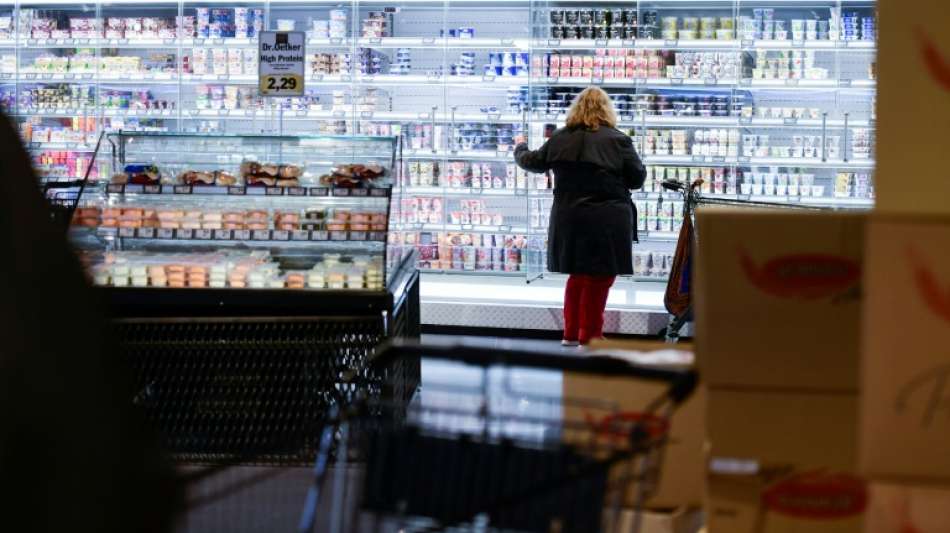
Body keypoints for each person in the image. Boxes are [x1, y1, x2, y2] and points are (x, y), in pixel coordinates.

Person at [514, 86, 646, 346]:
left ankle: (571, 333)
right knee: (601, 276)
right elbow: (636, 179)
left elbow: (533, 161)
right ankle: (591, 335)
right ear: (607, 110)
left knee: (578, 275)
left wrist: (520, 148)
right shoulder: (618, 140)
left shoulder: (561, 138)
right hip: (607, 217)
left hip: (569, 216)